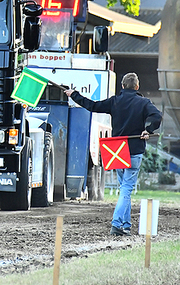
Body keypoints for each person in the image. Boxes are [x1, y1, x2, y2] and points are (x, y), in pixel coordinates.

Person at [64, 72, 162, 237]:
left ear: (122, 86)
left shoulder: (114, 102)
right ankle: (117, 224)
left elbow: (92, 106)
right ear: (137, 87)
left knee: (124, 188)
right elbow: (157, 116)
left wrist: (74, 95)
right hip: (135, 150)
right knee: (127, 189)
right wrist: (148, 129)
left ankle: (126, 225)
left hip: (117, 151)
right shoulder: (144, 102)